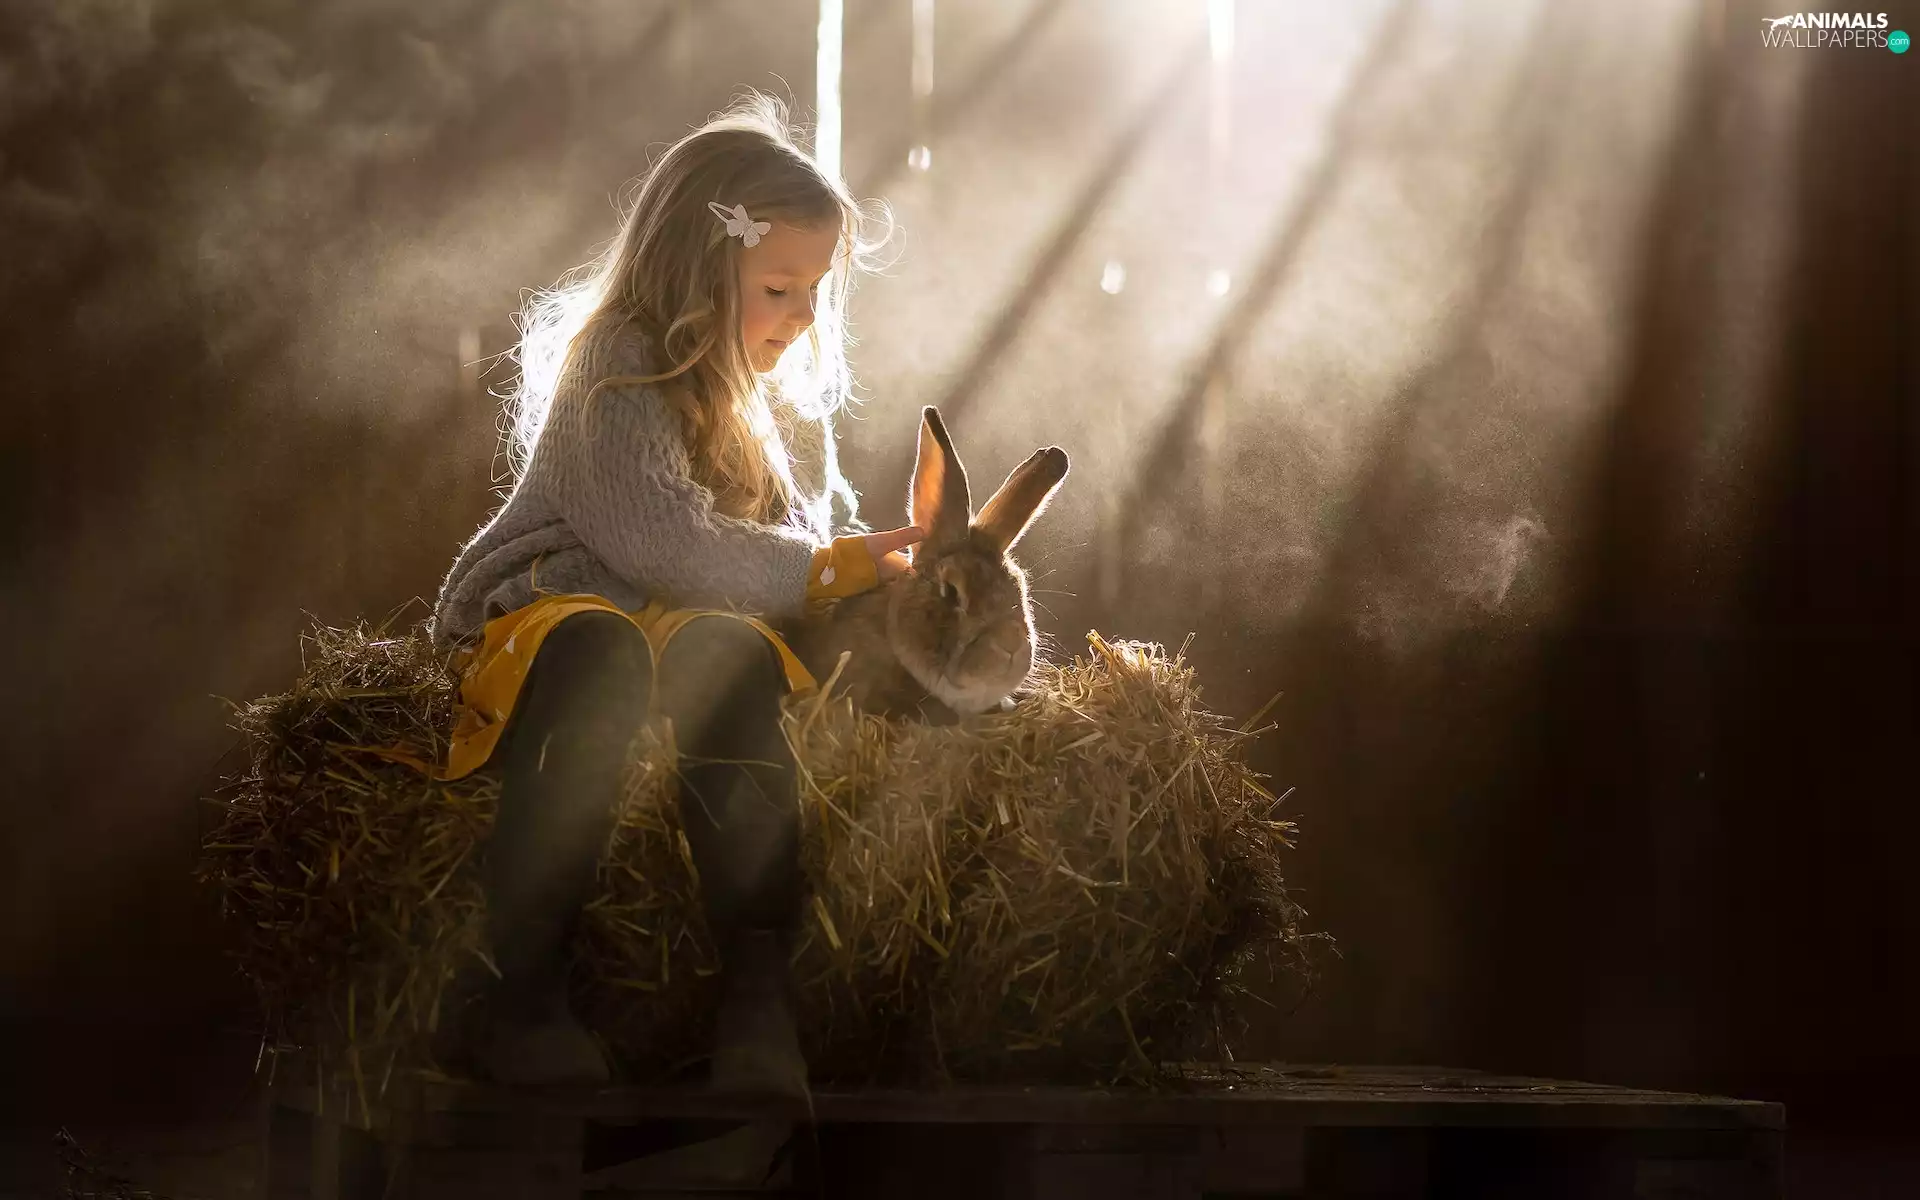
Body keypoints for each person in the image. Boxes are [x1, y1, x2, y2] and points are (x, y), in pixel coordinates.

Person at [426, 92, 919, 1095]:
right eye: (780, 287)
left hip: (680, 618)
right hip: (556, 601)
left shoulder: (773, 406)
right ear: (699, 269)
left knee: (726, 656)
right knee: (597, 653)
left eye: (817, 289)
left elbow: (789, 544)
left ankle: (755, 990)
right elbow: (668, 544)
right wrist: (827, 572)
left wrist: (864, 581)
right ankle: (519, 989)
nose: (803, 317)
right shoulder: (614, 364)